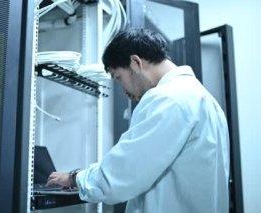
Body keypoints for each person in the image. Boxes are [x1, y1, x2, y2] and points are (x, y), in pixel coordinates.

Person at [46, 28, 230, 213]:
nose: (124, 90)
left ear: (135, 62)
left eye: (119, 78)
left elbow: (123, 174)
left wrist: (75, 178)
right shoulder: (204, 99)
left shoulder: (167, 98)